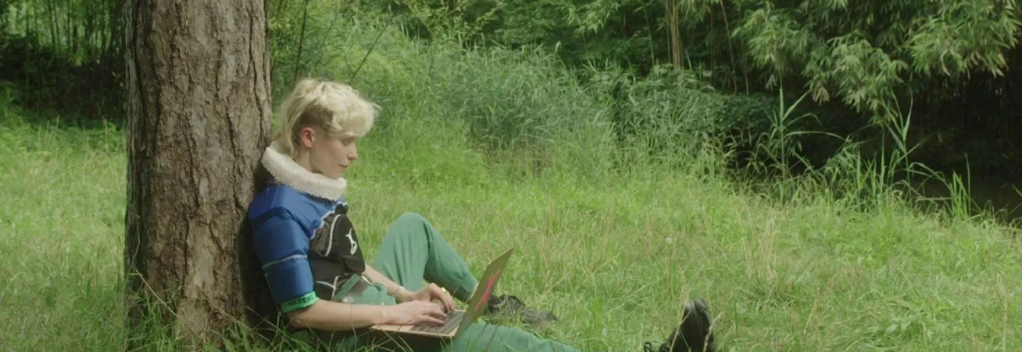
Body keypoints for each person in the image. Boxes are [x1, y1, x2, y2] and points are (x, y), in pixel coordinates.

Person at [248, 79, 716, 352]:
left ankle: (489, 301)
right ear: (308, 137)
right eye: (346, 142)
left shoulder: (316, 186)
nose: (354, 154)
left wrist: (405, 291)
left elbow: (345, 263)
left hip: (370, 302)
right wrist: (399, 312)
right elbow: (303, 313)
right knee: (512, 344)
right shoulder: (280, 212)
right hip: (355, 336)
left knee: (413, 226)